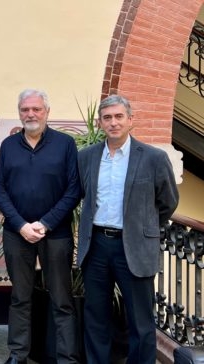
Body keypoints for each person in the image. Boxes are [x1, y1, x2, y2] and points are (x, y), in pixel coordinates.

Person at [77, 95, 179, 364]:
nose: (113, 122)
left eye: (119, 116)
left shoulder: (153, 158)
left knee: (140, 321)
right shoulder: (87, 157)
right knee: (96, 317)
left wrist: (142, 228)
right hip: (96, 246)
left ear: (130, 120)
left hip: (132, 247)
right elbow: (81, 195)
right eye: (107, 117)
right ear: (100, 123)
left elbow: (168, 201)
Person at [0, 89, 81, 364]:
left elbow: (73, 189)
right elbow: (0, 190)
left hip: (56, 234)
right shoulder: (9, 146)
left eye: (36, 109)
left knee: (62, 299)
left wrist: (45, 223)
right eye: (25, 110)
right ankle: (18, 354)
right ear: (19, 112)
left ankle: (66, 358)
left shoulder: (65, 144)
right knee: (20, 297)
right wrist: (20, 225)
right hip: (16, 234)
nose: (30, 114)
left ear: (47, 112)